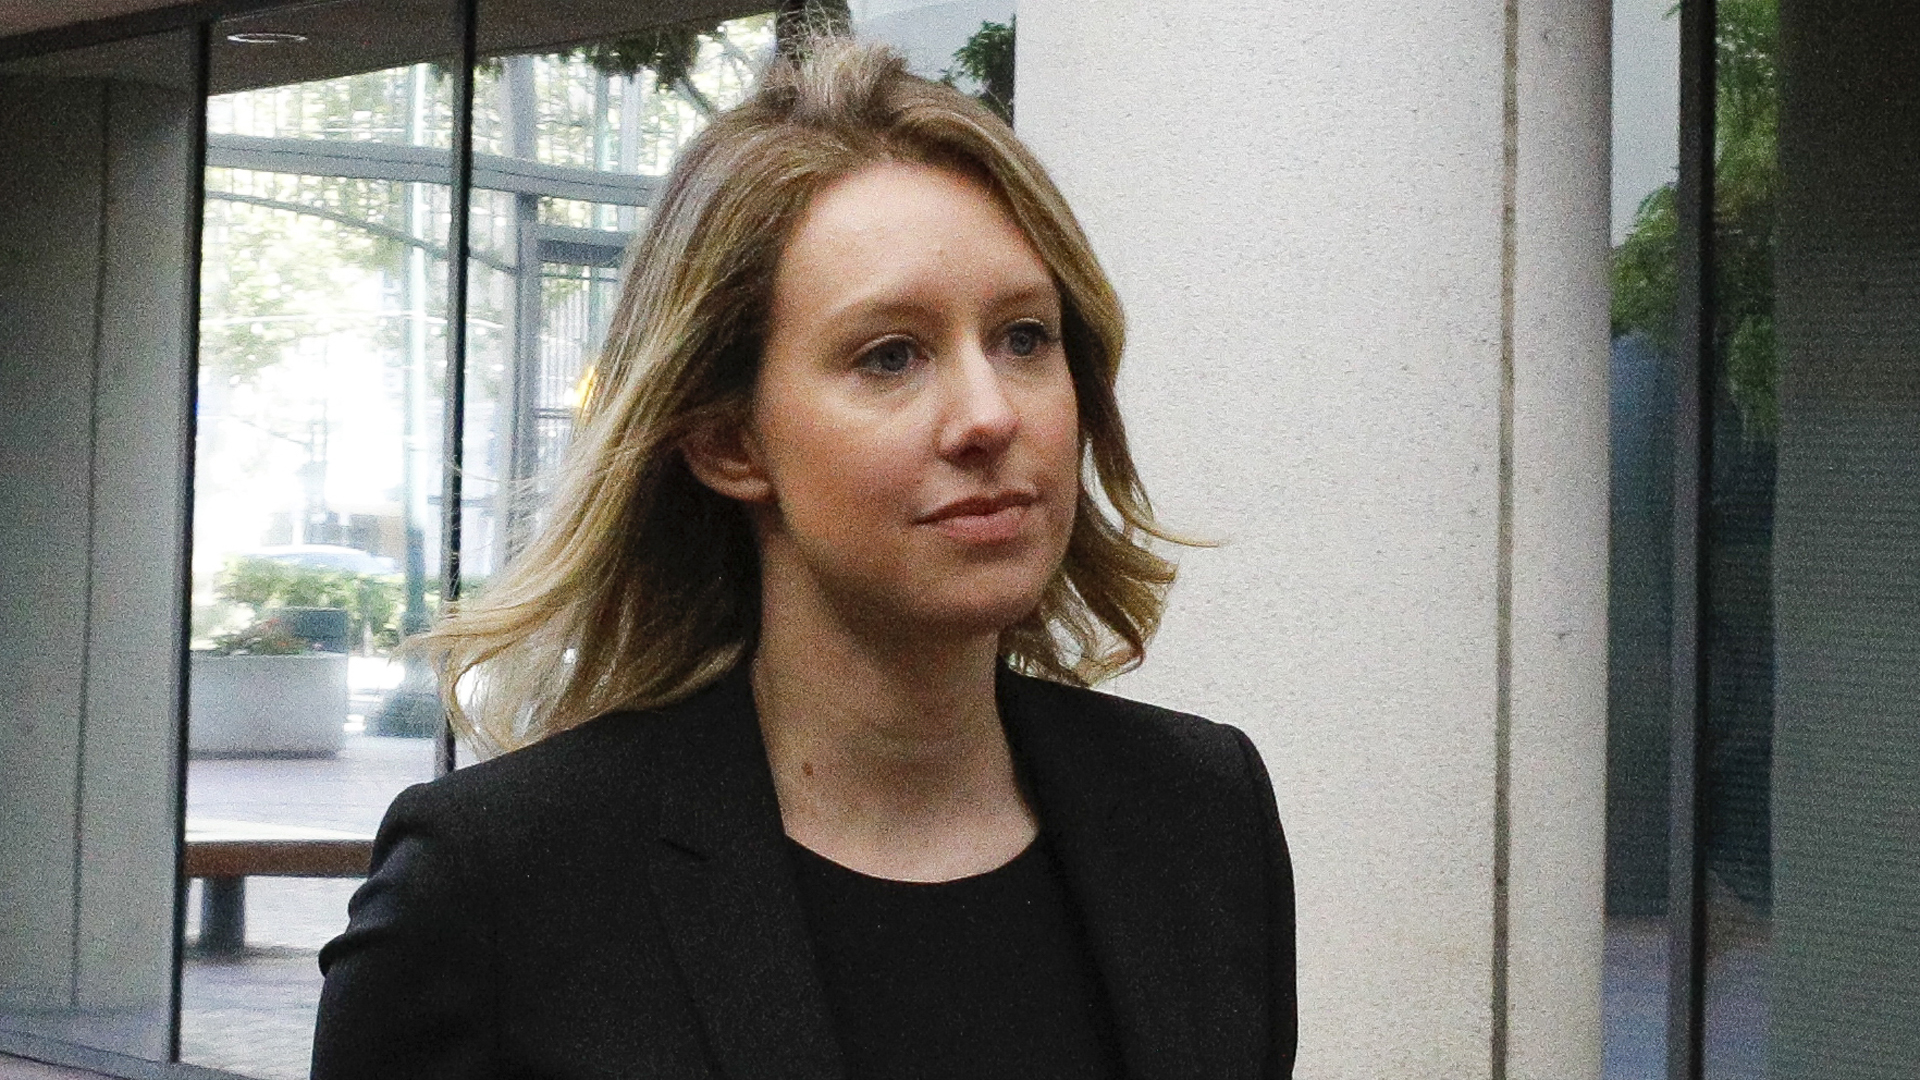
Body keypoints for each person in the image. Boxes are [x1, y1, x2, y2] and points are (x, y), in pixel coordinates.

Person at [312, 36, 1295, 1080]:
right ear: (727, 440)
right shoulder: (498, 887)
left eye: (1023, 337)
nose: (988, 415)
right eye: (890, 355)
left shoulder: (1196, 811)